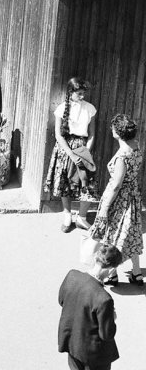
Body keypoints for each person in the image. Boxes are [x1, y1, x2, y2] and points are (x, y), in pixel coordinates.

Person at [88, 113, 143, 286]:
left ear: (118, 133)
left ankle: (111, 274)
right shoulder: (136, 146)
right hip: (133, 196)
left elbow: (116, 185)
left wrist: (104, 209)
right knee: (130, 233)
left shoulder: (122, 157)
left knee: (113, 236)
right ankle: (137, 273)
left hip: (119, 199)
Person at [58, 242, 122, 370]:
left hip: (72, 344)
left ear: (95, 258)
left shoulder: (72, 275)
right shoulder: (104, 299)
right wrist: (112, 317)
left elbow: (61, 301)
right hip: (94, 356)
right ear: (111, 269)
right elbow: (106, 334)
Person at [45, 77, 97, 233]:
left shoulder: (90, 108)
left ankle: (82, 217)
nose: (82, 97)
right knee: (64, 181)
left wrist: (86, 151)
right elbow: (58, 135)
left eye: (83, 94)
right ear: (70, 92)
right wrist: (71, 155)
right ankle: (67, 214)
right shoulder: (61, 109)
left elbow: (92, 134)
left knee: (87, 182)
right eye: (79, 94)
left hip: (83, 148)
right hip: (65, 149)